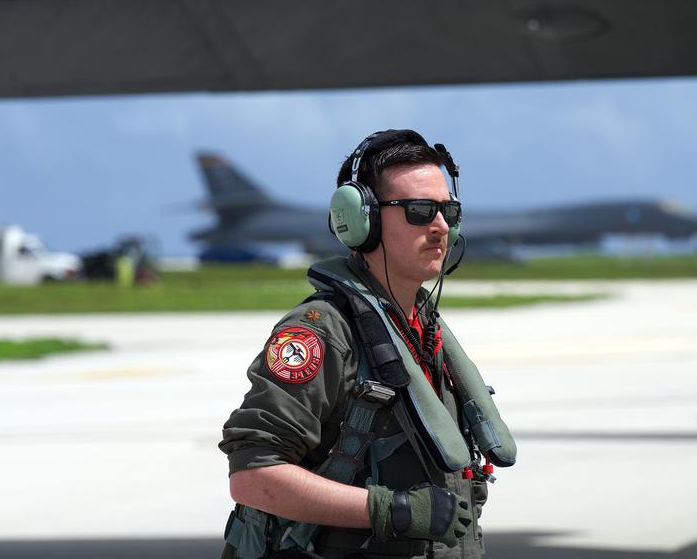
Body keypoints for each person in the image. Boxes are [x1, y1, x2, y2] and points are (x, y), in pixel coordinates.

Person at [219, 130, 516, 559]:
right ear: (363, 220)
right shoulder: (323, 332)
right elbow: (253, 476)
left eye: (448, 210)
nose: (440, 227)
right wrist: (389, 510)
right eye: (419, 210)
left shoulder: (421, 330)